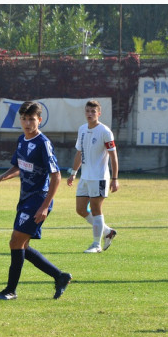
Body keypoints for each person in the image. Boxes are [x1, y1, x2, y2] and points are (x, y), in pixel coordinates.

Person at [0, 101, 72, 300]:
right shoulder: (21, 140)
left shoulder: (43, 143)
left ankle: (10, 290)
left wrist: (45, 206)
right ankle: (60, 276)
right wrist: (1, 177)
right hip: (25, 199)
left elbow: (56, 175)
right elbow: (18, 166)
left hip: (38, 199)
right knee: (22, 245)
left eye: (31, 119)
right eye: (24, 119)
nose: (27, 123)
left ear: (39, 120)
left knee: (15, 241)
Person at [66, 100, 119, 253]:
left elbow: (113, 156)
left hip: (99, 177)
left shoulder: (105, 131)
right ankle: (107, 232)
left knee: (96, 209)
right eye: (87, 111)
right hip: (85, 177)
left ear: (99, 113)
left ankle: (96, 245)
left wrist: (115, 179)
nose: (90, 114)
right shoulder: (82, 129)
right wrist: (73, 173)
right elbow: (79, 152)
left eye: (93, 112)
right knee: (81, 209)